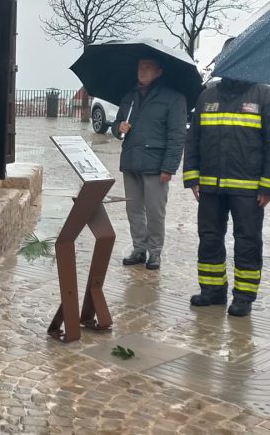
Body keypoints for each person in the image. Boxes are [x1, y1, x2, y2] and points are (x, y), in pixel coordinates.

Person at [183, 64, 270, 316]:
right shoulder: (207, 95)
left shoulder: (262, 95)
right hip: (210, 186)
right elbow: (193, 138)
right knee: (209, 238)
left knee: (247, 242)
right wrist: (192, 177)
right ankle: (213, 291)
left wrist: (267, 183)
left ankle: (243, 297)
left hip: (248, 189)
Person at [113, 57, 187, 270]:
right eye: (140, 67)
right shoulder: (129, 97)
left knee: (155, 211)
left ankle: (155, 252)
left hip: (156, 165)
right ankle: (139, 249)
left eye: (148, 67)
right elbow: (115, 125)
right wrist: (119, 127)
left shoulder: (173, 98)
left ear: (159, 71)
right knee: (133, 209)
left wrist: (169, 167)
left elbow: (177, 136)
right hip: (131, 161)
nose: (142, 71)